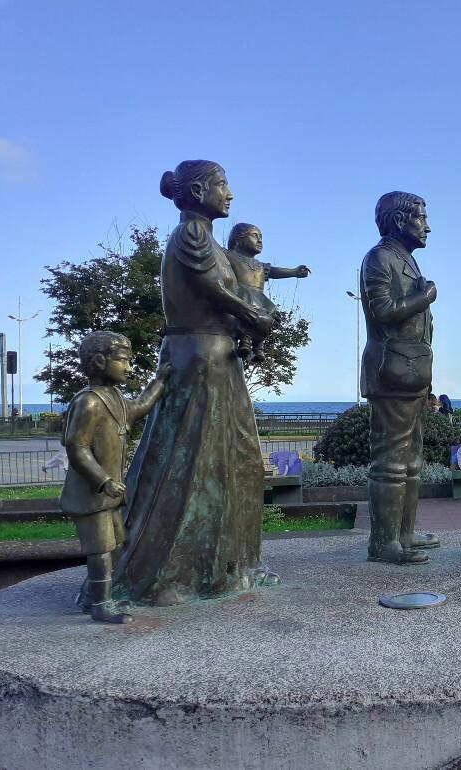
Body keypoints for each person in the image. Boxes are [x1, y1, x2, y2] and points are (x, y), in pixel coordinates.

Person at [113, 160, 279, 606]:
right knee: (197, 465)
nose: (230, 193)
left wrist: (249, 318)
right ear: (200, 190)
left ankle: (228, 566)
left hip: (216, 356)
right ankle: (178, 573)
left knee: (235, 461)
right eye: (223, 184)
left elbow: (228, 293)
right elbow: (215, 291)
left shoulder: (208, 240)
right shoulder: (191, 234)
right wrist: (255, 315)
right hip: (200, 358)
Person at [61, 331, 170, 622]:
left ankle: (95, 597)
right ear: (100, 361)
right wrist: (103, 480)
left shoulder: (116, 398)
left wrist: (160, 382)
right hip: (92, 494)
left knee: (117, 545)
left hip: (109, 496)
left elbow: (139, 407)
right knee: (100, 550)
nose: (129, 367)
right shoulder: (88, 402)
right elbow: (76, 446)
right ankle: (100, 605)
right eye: (123, 360)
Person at [360, 191, 440, 564]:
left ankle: (403, 534)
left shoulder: (404, 259)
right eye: (421, 218)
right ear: (398, 220)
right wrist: (425, 297)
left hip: (412, 373)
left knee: (411, 462)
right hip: (391, 371)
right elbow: (383, 311)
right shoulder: (380, 258)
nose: (427, 226)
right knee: (391, 462)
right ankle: (384, 542)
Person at [226, 223, 310, 363]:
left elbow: (274, 272)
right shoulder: (229, 256)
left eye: (261, 237)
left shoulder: (259, 265)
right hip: (242, 294)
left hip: (260, 297)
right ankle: (245, 340)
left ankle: (258, 346)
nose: (260, 241)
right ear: (238, 239)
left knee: (270, 315)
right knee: (248, 312)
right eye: (255, 236)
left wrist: (294, 272)